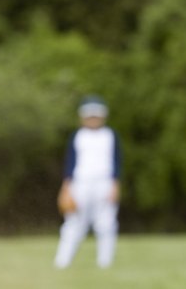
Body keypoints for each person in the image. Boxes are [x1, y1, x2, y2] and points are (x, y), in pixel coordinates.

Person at [54, 95, 123, 269]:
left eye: (96, 116)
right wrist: (66, 187)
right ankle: (62, 261)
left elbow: (116, 161)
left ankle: (105, 262)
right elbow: (70, 163)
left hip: (104, 182)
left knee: (106, 223)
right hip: (80, 183)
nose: (93, 119)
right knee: (73, 222)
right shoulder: (77, 136)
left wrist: (115, 184)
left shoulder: (110, 135)